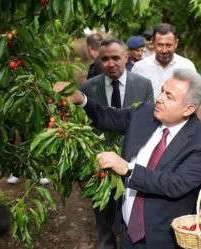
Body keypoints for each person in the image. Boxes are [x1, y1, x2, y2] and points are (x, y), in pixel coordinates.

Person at [56, 69, 201, 249]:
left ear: (188, 109)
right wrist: (82, 100)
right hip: (127, 232)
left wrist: (127, 169)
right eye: (162, 91)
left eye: (169, 96)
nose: (159, 98)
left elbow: (176, 184)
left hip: (163, 240)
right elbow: (109, 117)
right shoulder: (144, 113)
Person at [79, 38, 153, 249]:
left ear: (126, 58)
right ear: (99, 60)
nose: (110, 63)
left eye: (115, 58)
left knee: (133, 222)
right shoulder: (89, 87)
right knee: (104, 222)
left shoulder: (143, 85)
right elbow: (85, 127)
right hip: (101, 168)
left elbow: (148, 124)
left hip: (132, 166)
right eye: (105, 59)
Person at [131, 23, 197, 99]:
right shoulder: (139, 68)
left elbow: (195, 98)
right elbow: (133, 98)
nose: (164, 50)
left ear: (176, 44)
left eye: (168, 45)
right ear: (153, 42)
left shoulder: (187, 67)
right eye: (160, 45)